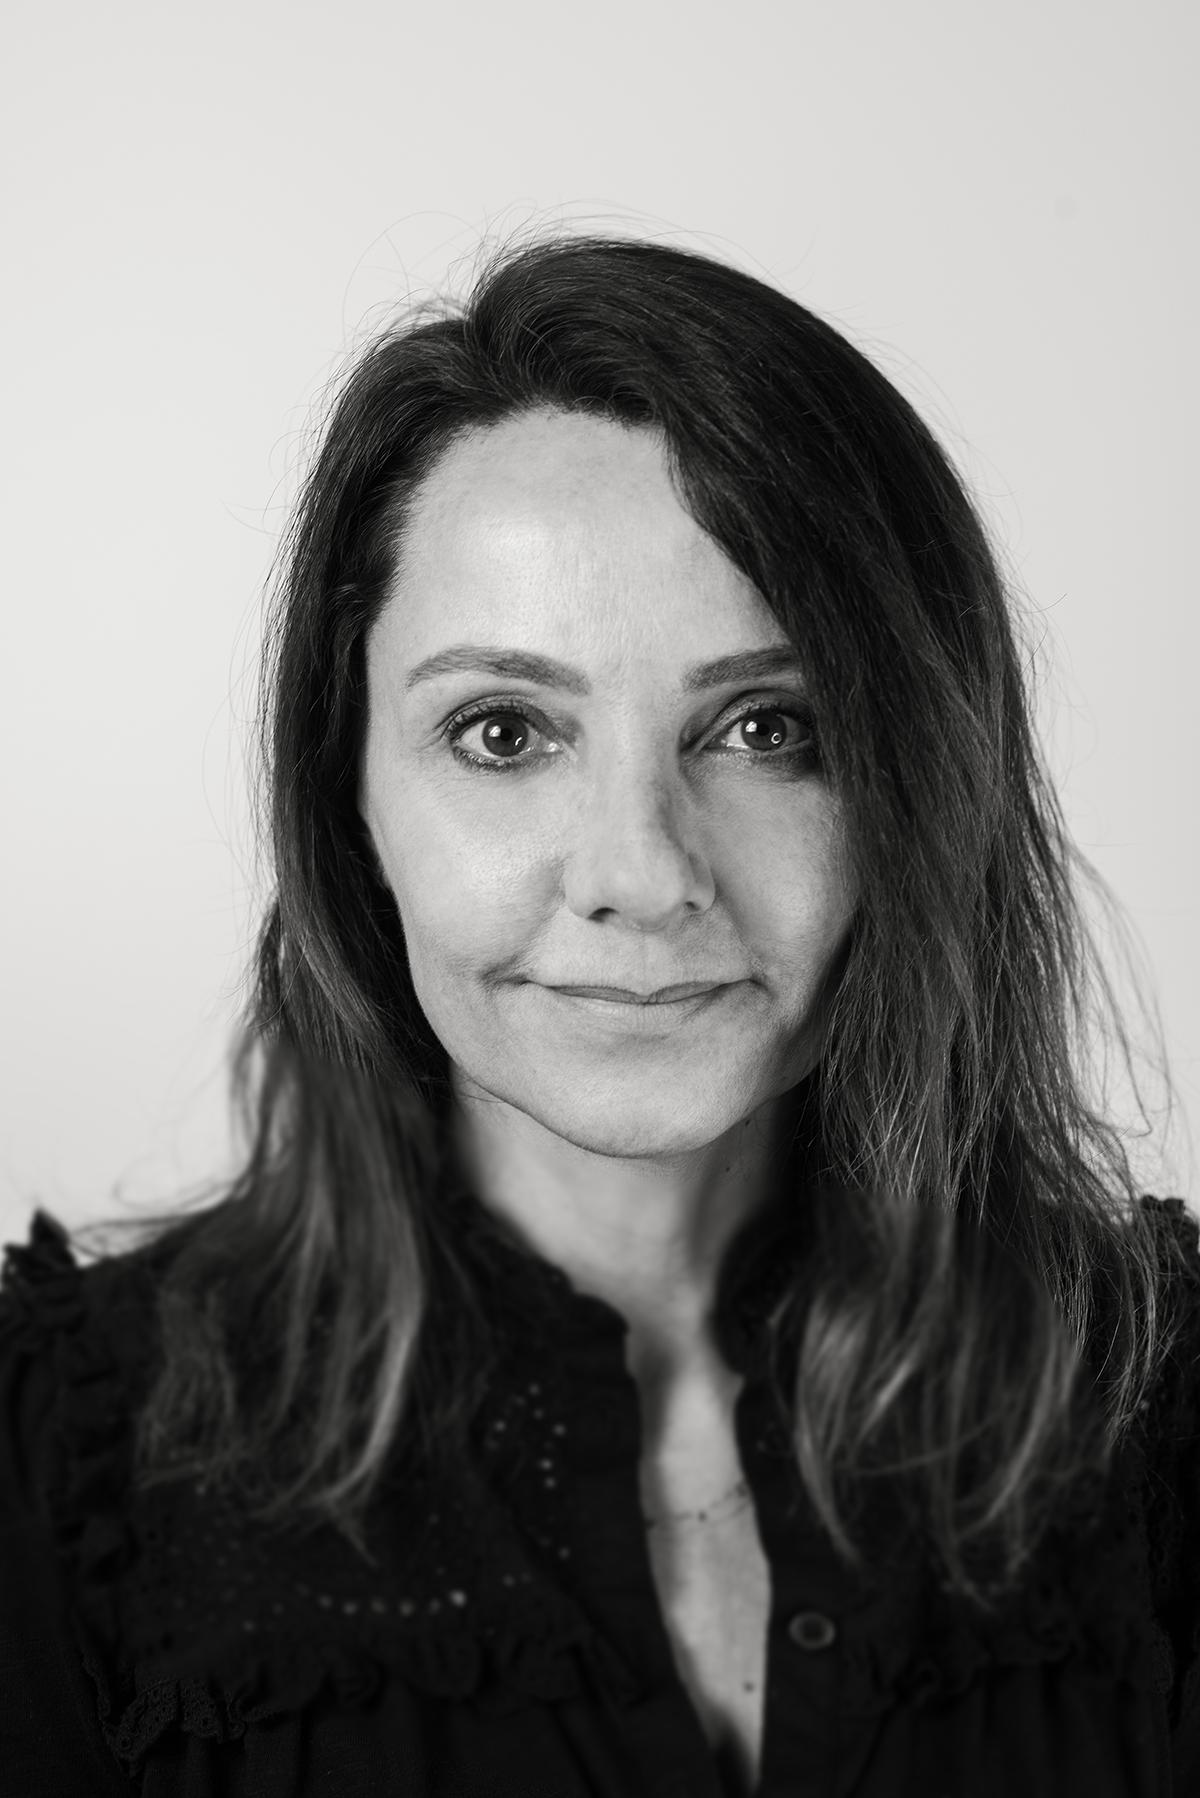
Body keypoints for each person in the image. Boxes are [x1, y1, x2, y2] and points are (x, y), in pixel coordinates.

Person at [1, 235, 1196, 1798]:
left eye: (770, 726)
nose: (642, 873)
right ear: (348, 792)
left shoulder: (1164, 1406)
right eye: (504, 731)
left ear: (922, 778)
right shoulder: (60, 1478)